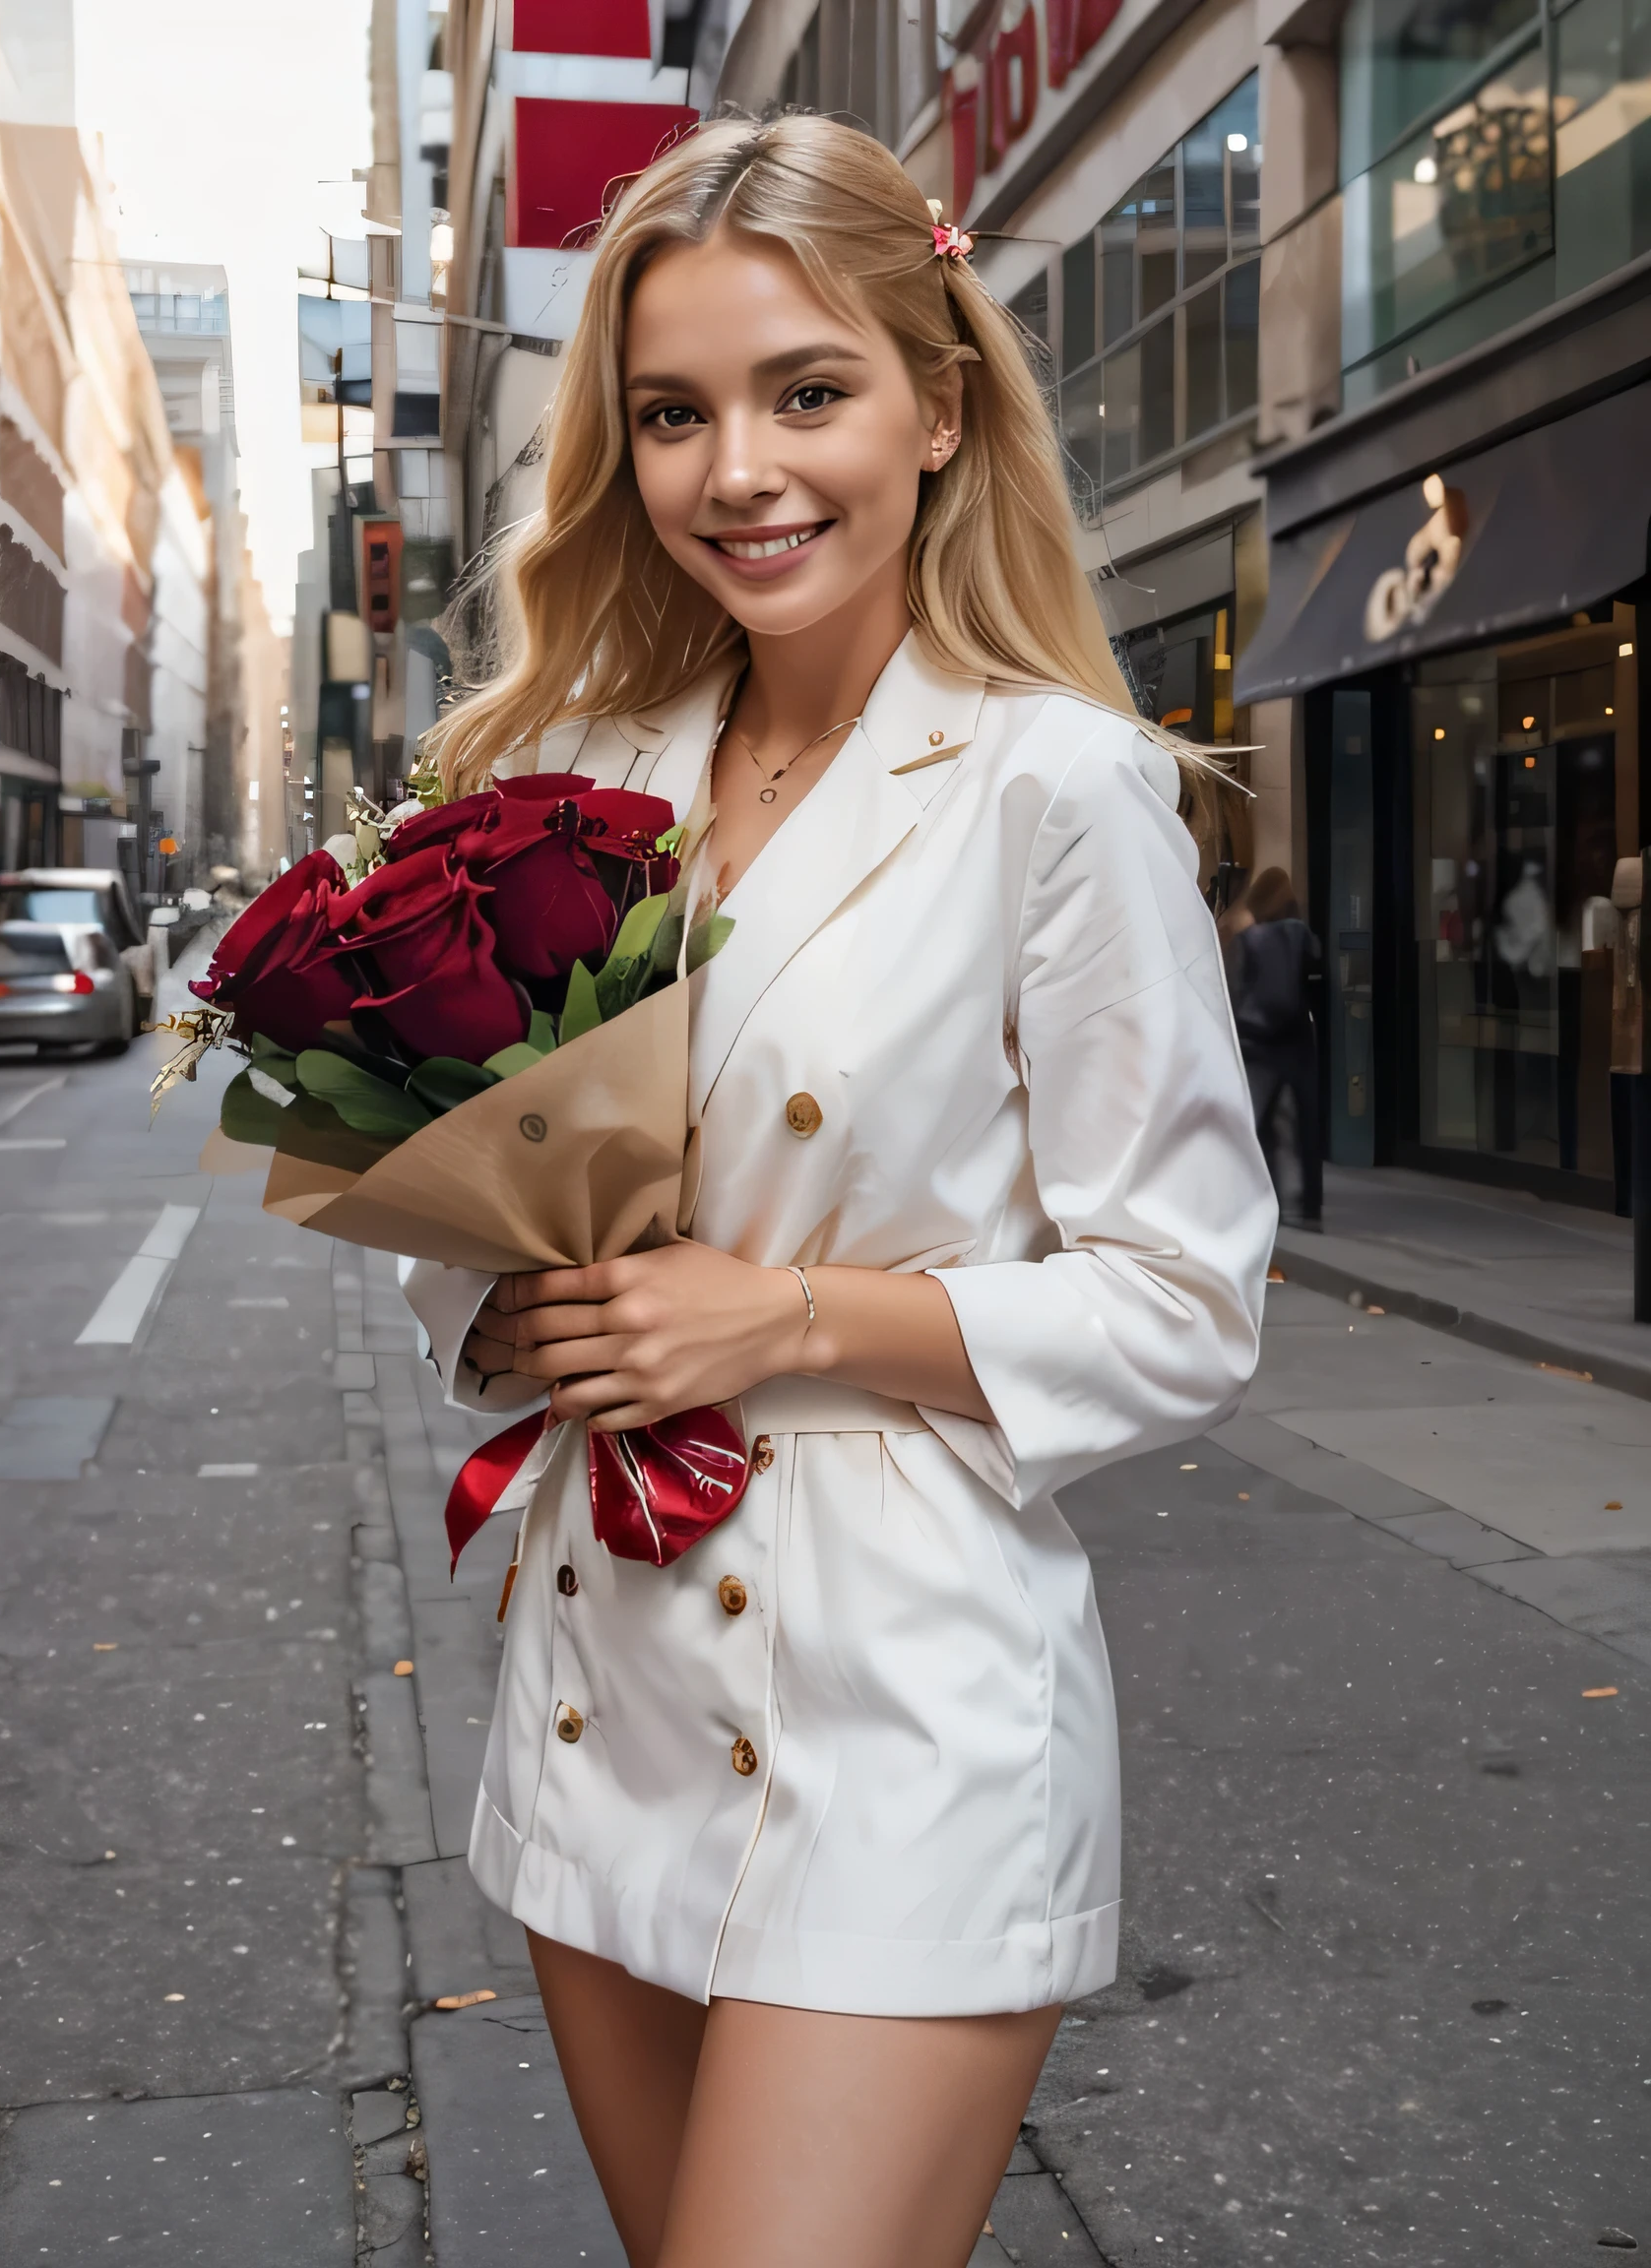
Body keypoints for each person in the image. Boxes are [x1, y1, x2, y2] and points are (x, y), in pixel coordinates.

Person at [400, 115, 1275, 2268]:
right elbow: (480, 1225)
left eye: (810, 393)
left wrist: (781, 1317)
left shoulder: (1055, 784)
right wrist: (506, 1319)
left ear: (939, 405)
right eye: (676, 414)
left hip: (900, 1700)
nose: (740, 472)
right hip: (607, 1669)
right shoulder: (579, 778)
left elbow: (1186, 1298)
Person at [1226, 865, 1322, 1228]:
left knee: (1263, 1123)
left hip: (1260, 1042)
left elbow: (1237, 992)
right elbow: (1315, 979)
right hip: (1298, 1039)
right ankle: (1312, 1207)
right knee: (1307, 1125)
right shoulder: (1300, 934)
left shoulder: (1249, 939)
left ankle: (1272, 1200)